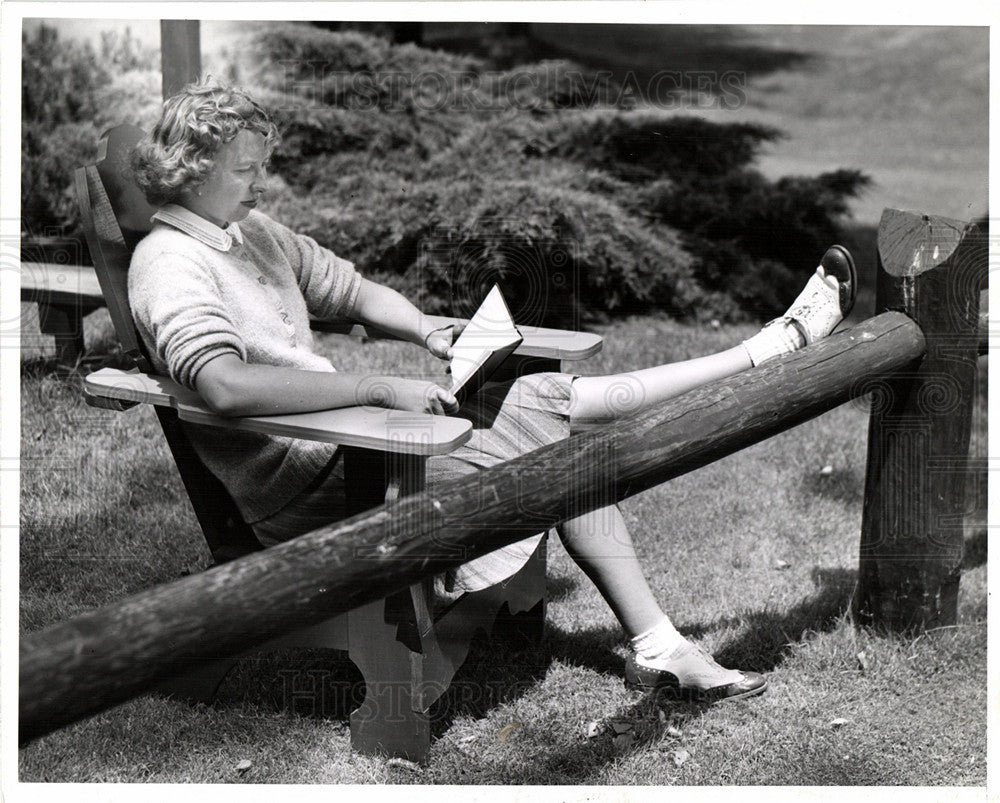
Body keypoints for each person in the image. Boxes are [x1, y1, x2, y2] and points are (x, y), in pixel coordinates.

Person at [128, 79, 856, 704]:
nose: (262, 184)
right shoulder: (169, 263)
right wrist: (377, 386)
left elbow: (347, 287)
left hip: (355, 455)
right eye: (246, 171)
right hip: (313, 488)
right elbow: (221, 384)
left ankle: (758, 361)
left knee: (551, 413)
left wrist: (424, 332)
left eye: (263, 167)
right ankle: (764, 353)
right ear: (188, 169)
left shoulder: (248, 232)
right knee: (560, 427)